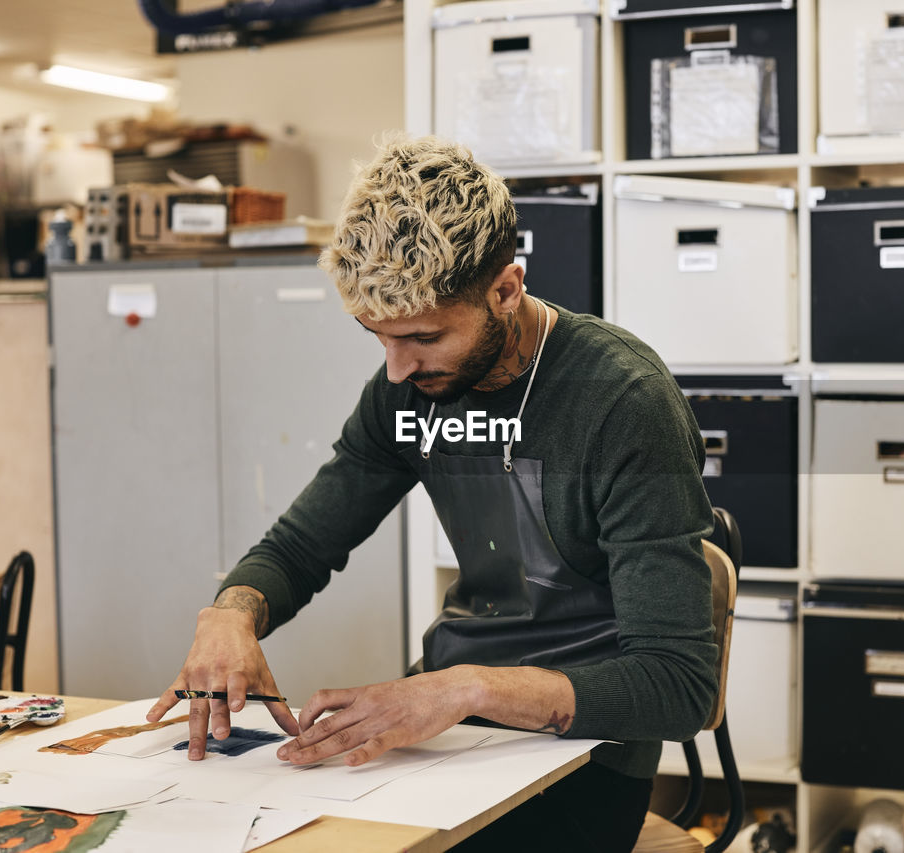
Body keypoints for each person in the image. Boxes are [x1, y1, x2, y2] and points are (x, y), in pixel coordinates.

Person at [148, 134, 717, 851]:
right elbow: (302, 544)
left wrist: (465, 687)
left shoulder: (622, 399)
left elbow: (677, 684)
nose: (395, 369)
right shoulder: (408, 390)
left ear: (505, 290)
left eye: (421, 336)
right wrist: (230, 613)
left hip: (584, 755)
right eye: (376, 335)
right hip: (450, 727)